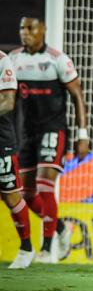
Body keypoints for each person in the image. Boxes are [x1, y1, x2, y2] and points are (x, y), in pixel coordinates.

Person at [9, 16, 89, 262]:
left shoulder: (57, 59)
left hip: (53, 129)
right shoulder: (13, 59)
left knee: (45, 186)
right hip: (25, 134)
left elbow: (77, 95)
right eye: (22, 27)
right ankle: (62, 228)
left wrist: (82, 134)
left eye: (31, 28)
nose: (26, 32)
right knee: (24, 194)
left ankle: (46, 249)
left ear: (43, 30)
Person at [2, 49, 37, 268]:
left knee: (10, 195)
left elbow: (8, 102)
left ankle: (26, 248)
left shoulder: (2, 60)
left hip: (1, 140)